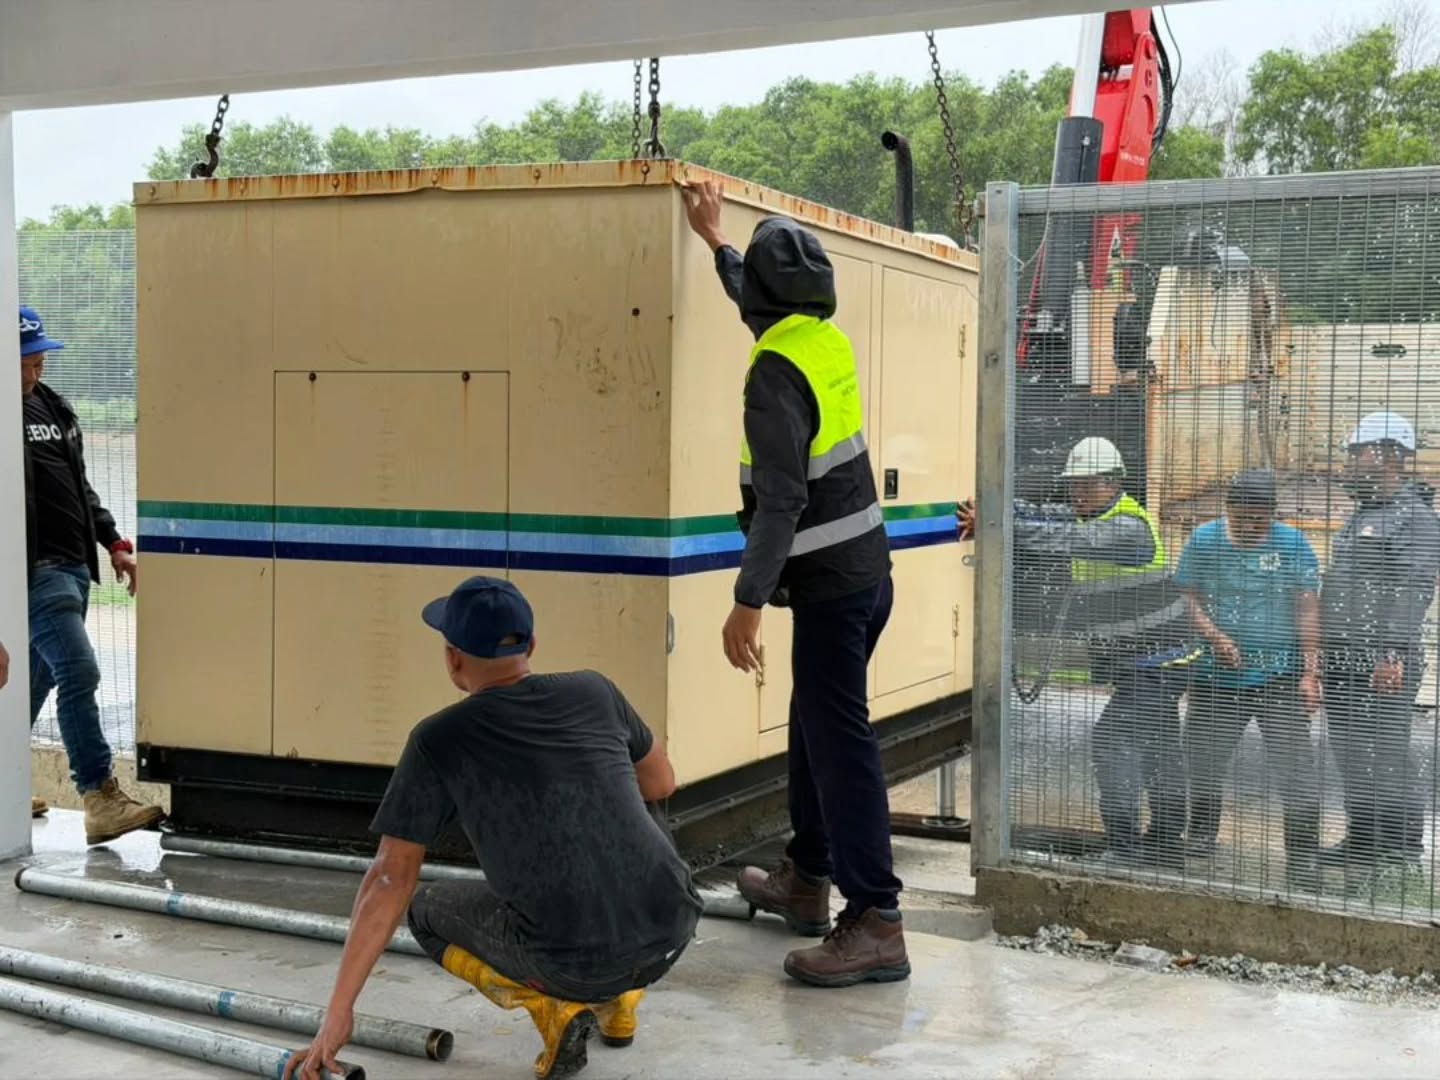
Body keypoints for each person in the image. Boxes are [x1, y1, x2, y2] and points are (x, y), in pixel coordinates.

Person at [285, 576, 701, 1080]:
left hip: (571, 966)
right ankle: (620, 1001)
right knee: (640, 805)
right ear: (532, 646)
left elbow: (391, 878)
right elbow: (663, 781)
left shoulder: (439, 739)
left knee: (425, 912)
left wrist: (338, 1012)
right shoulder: (596, 689)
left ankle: (557, 1007)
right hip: (672, 931)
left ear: (453, 658)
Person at [681, 180, 907, 989]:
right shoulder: (821, 336)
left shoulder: (773, 373)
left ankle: (876, 918)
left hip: (832, 587)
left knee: (841, 745)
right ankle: (808, 878)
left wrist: (744, 603)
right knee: (815, 725)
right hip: (865, 574)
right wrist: (714, 240)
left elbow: (781, 499)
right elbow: (755, 290)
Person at [959, 436, 1199, 866]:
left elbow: (1064, 537)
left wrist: (994, 524)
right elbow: (1042, 514)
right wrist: (994, 507)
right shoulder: (1092, 513)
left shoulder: (1127, 527)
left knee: (1113, 741)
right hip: (1146, 661)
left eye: (1088, 486)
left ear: (1114, 483)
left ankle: (1127, 850)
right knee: (1160, 749)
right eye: (1075, 486)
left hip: (1159, 661)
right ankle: (1165, 844)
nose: (1078, 495)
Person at [20, 305, 159, 841]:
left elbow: (78, 488)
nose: (36, 372)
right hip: (36, 574)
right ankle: (99, 795)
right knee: (79, 672)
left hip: (74, 568)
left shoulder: (53, 406)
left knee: (31, 685)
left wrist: (115, 544)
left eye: (39, 360)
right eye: (25, 362)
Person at [1174, 469, 1323, 889]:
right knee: (1202, 761)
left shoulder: (1294, 544)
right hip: (1216, 677)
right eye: (1241, 517)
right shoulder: (1204, 540)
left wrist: (1311, 673)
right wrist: (1215, 637)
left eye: (1260, 518)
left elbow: (1308, 608)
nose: (1250, 526)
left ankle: (1304, 855)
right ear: (1228, 511)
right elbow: (1187, 597)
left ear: (1273, 514)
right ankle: (1201, 836)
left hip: (1279, 676)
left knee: (1295, 769)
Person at [1318, 411, 1440, 875]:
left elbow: (1412, 592)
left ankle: (1402, 851)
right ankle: (1364, 840)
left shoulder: (1416, 519)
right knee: (1351, 751)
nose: (1349, 462)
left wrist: (1390, 656)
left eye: (1357, 453)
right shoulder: (1364, 514)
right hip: (1344, 656)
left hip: (1386, 659)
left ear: (1389, 454)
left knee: (1387, 752)